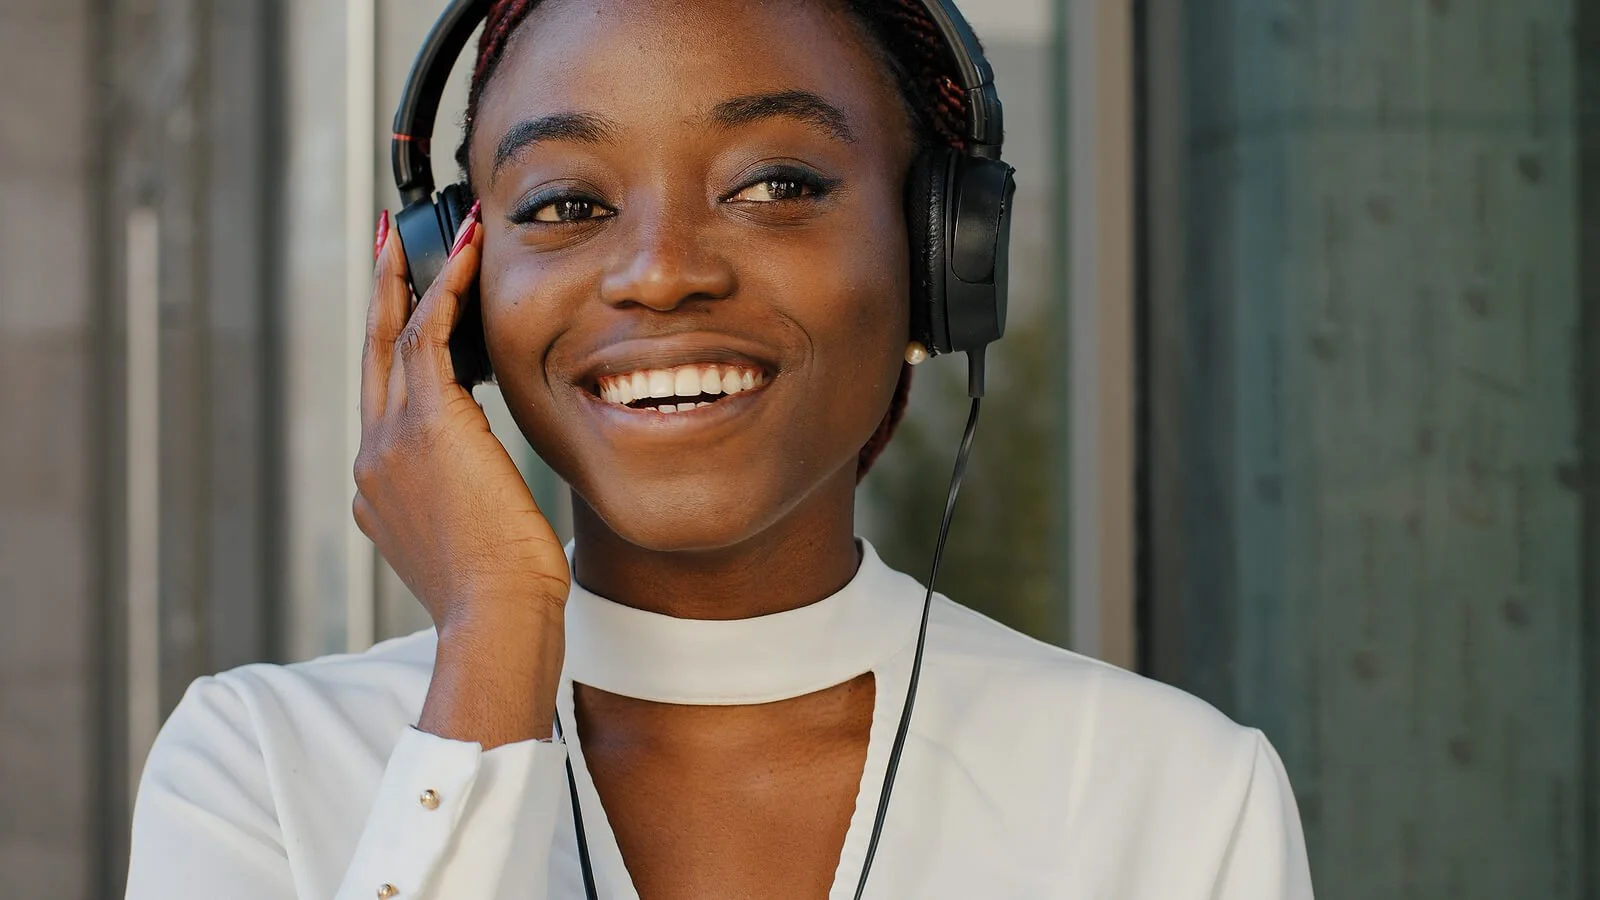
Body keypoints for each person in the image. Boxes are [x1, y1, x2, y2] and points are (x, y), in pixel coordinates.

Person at [124, 0, 1314, 897]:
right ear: (457, 288)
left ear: (939, 258)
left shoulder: (1174, 794)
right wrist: (490, 647)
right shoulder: (260, 770)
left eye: (776, 182)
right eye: (564, 205)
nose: (660, 270)